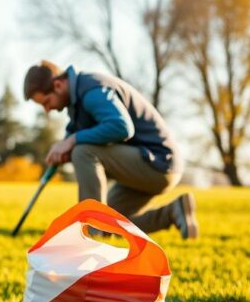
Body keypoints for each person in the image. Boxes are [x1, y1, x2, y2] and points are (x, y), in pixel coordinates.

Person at [23, 60, 198, 239]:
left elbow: (121, 127)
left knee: (83, 151)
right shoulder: (76, 101)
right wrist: (63, 147)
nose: (47, 110)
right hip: (145, 168)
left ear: (58, 85)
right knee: (108, 223)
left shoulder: (91, 91)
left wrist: (74, 140)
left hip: (159, 163)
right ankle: (173, 212)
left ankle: (90, 234)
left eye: (46, 102)